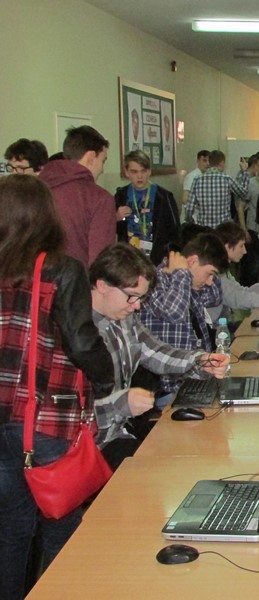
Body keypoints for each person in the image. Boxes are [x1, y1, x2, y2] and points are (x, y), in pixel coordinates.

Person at [0, 175, 114, 599]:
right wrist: (105, 378)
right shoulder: (62, 269)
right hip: (46, 417)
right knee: (61, 525)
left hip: (3, 419)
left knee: (11, 530)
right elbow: (81, 341)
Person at [88, 244, 229, 465]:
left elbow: (155, 351)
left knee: (198, 449)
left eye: (140, 298)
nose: (136, 306)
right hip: (91, 447)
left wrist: (200, 361)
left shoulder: (122, 317)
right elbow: (63, 417)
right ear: (102, 286)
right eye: (132, 296)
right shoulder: (76, 332)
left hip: (119, 433)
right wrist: (119, 404)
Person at [138, 233, 227, 402]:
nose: (210, 282)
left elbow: (215, 297)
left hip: (194, 381)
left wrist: (192, 273)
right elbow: (174, 313)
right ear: (192, 261)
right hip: (169, 390)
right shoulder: (156, 281)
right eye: (209, 274)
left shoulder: (189, 285)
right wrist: (182, 272)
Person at [38, 125, 116, 267]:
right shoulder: (100, 199)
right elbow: (100, 263)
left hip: (35, 278)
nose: (102, 169)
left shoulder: (36, 190)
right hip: (78, 279)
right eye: (103, 161)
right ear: (91, 157)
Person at [114, 150, 180, 265]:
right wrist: (117, 217)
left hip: (156, 258)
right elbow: (114, 228)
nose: (139, 176)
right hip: (129, 257)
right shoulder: (121, 195)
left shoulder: (164, 196)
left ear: (149, 171)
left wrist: (170, 257)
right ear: (127, 172)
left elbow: (175, 231)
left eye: (143, 171)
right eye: (134, 172)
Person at [184, 150, 248, 228]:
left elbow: (189, 208)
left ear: (209, 162)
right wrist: (244, 172)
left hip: (204, 228)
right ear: (222, 163)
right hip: (223, 228)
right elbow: (244, 194)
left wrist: (191, 221)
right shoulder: (227, 179)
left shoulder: (197, 180)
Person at [181, 150, 210, 215]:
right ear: (198, 161)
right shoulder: (192, 176)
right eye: (204, 160)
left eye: (209, 161)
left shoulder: (206, 176)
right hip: (192, 216)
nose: (208, 164)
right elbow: (185, 199)